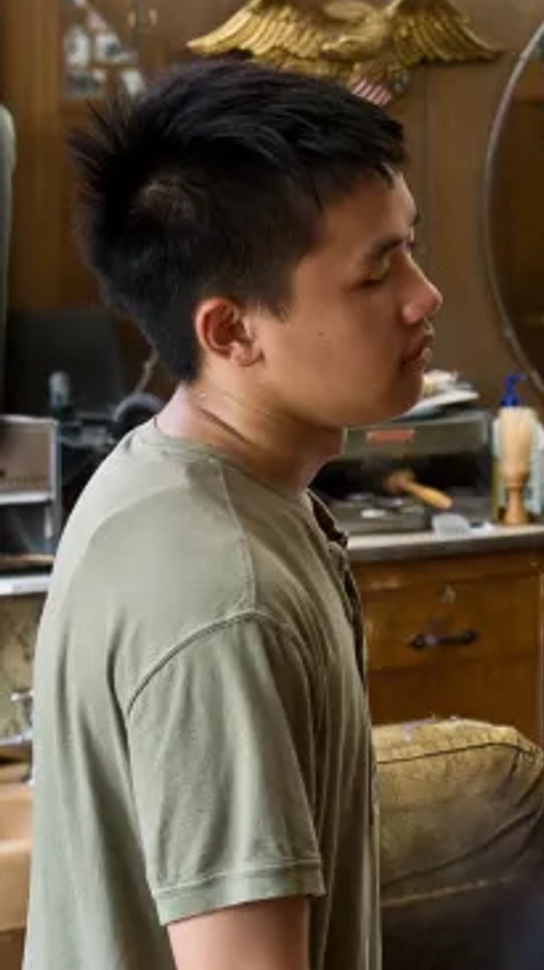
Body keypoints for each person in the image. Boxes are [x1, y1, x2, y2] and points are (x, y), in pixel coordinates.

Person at [27, 58, 443, 970]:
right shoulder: (221, 599)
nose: (423, 295)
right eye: (376, 272)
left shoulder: (187, 487)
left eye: (410, 244)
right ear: (230, 331)